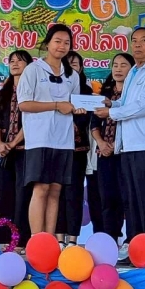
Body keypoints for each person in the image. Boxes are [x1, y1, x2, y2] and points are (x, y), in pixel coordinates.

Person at [94, 28, 145, 261]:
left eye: (143, 41)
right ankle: (137, 250)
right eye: (134, 41)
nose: (137, 45)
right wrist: (112, 104)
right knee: (132, 202)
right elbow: (128, 103)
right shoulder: (135, 72)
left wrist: (112, 112)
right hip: (130, 145)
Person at [18, 24, 85, 237]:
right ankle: (37, 240)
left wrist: (79, 108)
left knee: (56, 190)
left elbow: (74, 103)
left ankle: (49, 240)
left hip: (64, 139)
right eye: (57, 41)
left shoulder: (72, 75)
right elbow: (24, 104)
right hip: (39, 138)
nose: (62, 46)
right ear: (47, 43)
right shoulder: (33, 70)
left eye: (66, 43)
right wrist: (56, 105)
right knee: (41, 188)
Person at [91, 52, 135, 249]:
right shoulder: (105, 93)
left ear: (132, 70)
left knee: (128, 197)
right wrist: (101, 143)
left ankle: (131, 242)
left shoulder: (133, 95)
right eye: (115, 65)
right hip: (105, 152)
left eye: (123, 65)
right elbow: (94, 124)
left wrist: (116, 144)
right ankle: (110, 240)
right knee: (108, 198)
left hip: (126, 153)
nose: (118, 69)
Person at [0, 50, 34, 252]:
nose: (15, 64)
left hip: (25, 150)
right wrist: (0, 143)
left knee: (22, 195)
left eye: (20, 61)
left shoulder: (33, 92)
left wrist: (14, 142)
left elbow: (32, 121)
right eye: (12, 61)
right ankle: (1, 239)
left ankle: (20, 240)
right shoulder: (3, 92)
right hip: (3, 152)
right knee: (2, 194)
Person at [56, 51, 92, 249]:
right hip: (56, 149)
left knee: (74, 194)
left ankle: (72, 240)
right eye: (67, 64)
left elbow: (87, 120)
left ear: (81, 68)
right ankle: (58, 238)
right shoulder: (54, 91)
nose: (71, 68)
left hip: (77, 151)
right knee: (56, 193)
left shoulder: (86, 91)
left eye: (75, 64)